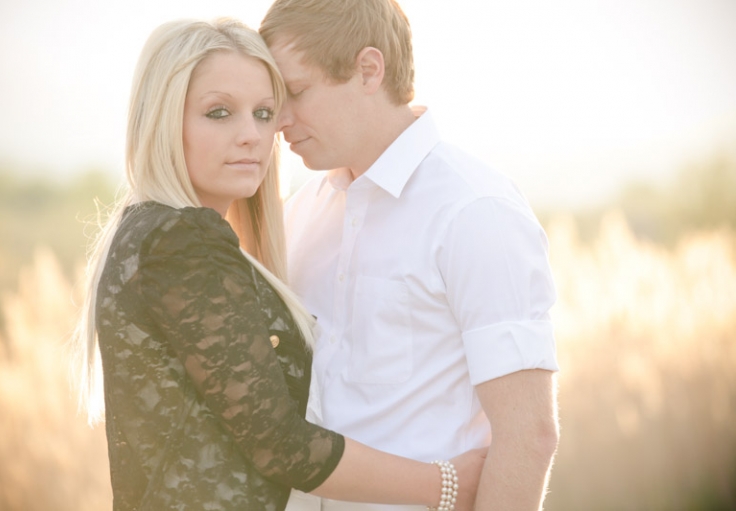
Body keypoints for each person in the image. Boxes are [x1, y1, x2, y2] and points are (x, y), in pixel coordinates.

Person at [71, 17, 485, 511]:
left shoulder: (153, 231)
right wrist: (447, 485)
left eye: (265, 112)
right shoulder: (181, 242)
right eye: (219, 112)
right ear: (163, 119)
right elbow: (282, 446)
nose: (252, 135)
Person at [259, 1, 560, 510]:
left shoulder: (475, 211)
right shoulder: (299, 214)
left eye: (296, 91)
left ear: (368, 70)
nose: (279, 120)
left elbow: (528, 435)